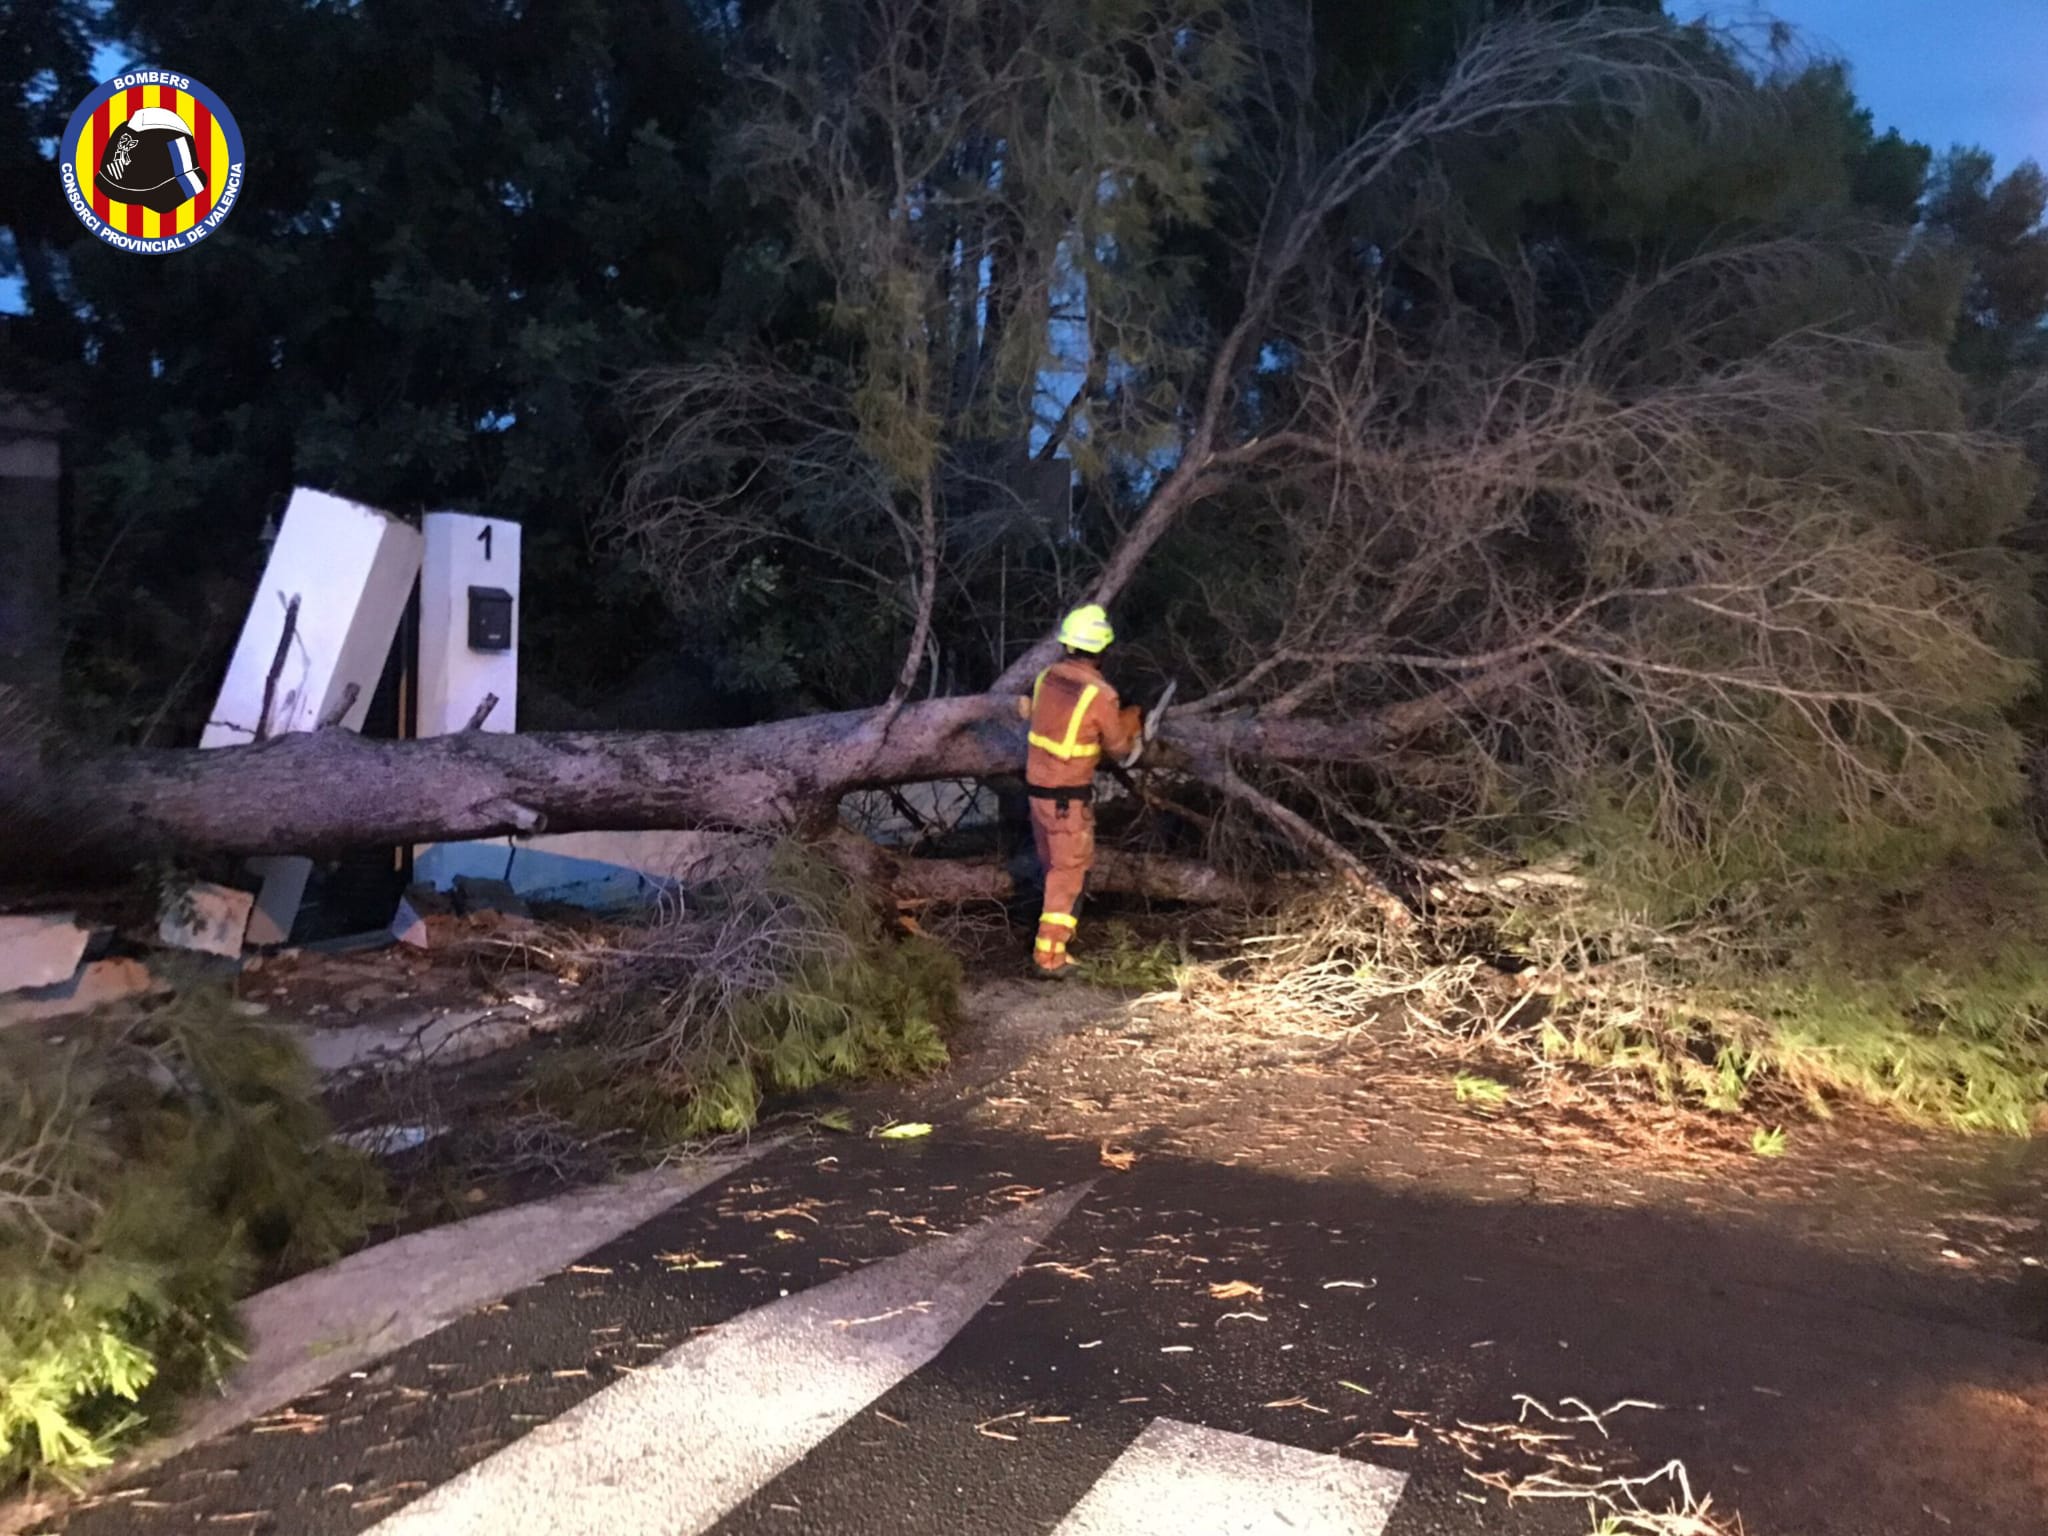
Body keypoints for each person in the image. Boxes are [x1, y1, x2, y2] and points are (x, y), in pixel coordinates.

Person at [1013, 604, 1142, 976]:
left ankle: (1043, 941)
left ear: (1068, 644)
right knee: (1068, 875)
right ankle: (1049, 959)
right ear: (1102, 650)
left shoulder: (1046, 678)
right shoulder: (1101, 695)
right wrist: (1131, 720)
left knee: (1052, 866)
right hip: (1068, 803)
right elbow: (1118, 748)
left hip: (1037, 795)